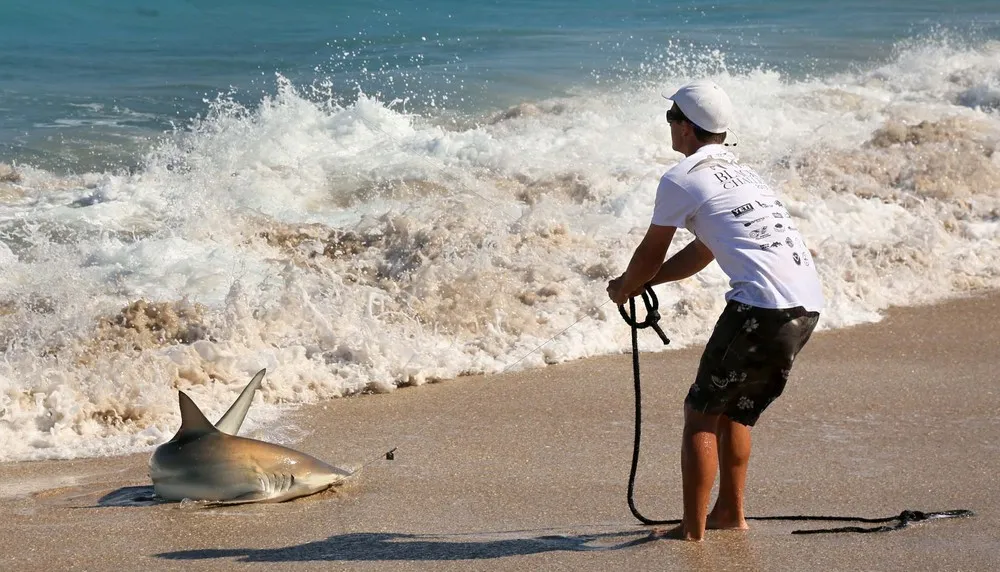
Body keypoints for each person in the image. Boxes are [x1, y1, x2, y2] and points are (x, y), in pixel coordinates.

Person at [606, 79, 824, 541]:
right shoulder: (746, 175)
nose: (669, 126)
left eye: (671, 118)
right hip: (805, 307)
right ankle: (730, 514)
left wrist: (626, 286)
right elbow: (704, 251)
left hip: (760, 307)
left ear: (685, 128)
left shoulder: (681, 178)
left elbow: (649, 251)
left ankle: (692, 530)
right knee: (736, 411)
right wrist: (651, 282)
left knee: (700, 413)